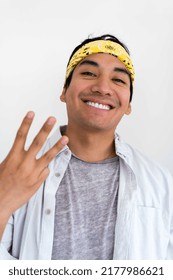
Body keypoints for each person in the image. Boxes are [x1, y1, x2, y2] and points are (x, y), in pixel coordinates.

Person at [0, 34, 173, 260]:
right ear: (64, 91)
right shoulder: (18, 172)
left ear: (129, 104)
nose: (102, 87)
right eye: (89, 73)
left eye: (119, 80)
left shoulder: (160, 182)